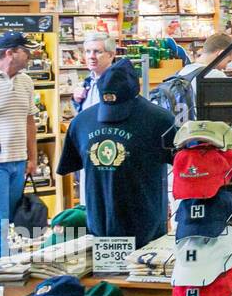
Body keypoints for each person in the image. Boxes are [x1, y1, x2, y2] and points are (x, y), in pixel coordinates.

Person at [57, 58, 175, 247]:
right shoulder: (81, 123)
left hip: (146, 229)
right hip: (98, 228)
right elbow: (69, 166)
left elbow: (181, 164)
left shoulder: (160, 120)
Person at [0, 32, 37, 256]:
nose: (31, 55)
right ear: (10, 53)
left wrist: (32, 157)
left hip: (19, 161)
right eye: (26, 50)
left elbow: (29, 119)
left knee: (12, 220)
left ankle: (8, 263)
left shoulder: (26, 80)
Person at [71, 32, 116, 113]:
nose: (91, 56)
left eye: (98, 52)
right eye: (88, 51)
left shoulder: (118, 83)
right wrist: (77, 101)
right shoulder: (87, 82)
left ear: (111, 55)